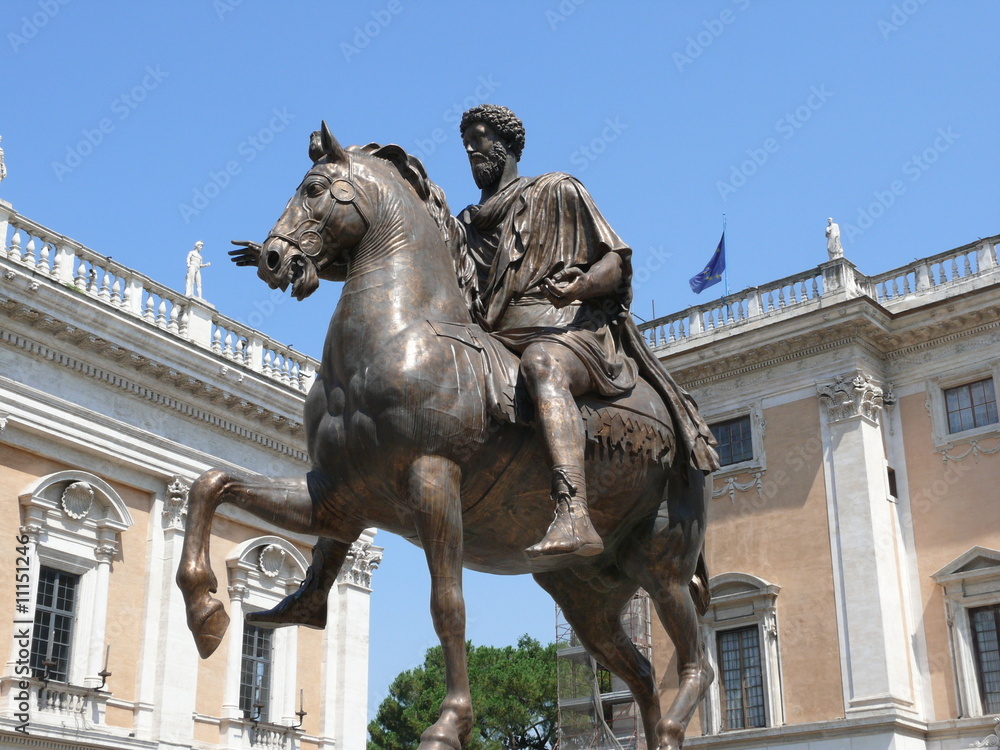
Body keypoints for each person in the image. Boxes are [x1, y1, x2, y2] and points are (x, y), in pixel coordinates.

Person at [253, 109, 718, 625]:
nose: (473, 151)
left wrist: (581, 286)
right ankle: (317, 586)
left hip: (566, 333)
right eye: (466, 143)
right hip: (497, 340)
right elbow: (394, 253)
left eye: (481, 140)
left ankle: (573, 511)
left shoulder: (556, 190)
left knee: (543, 364)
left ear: (508, 145)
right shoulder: (467, 226)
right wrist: (303, 253)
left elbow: (615, 262)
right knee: (374, 442)